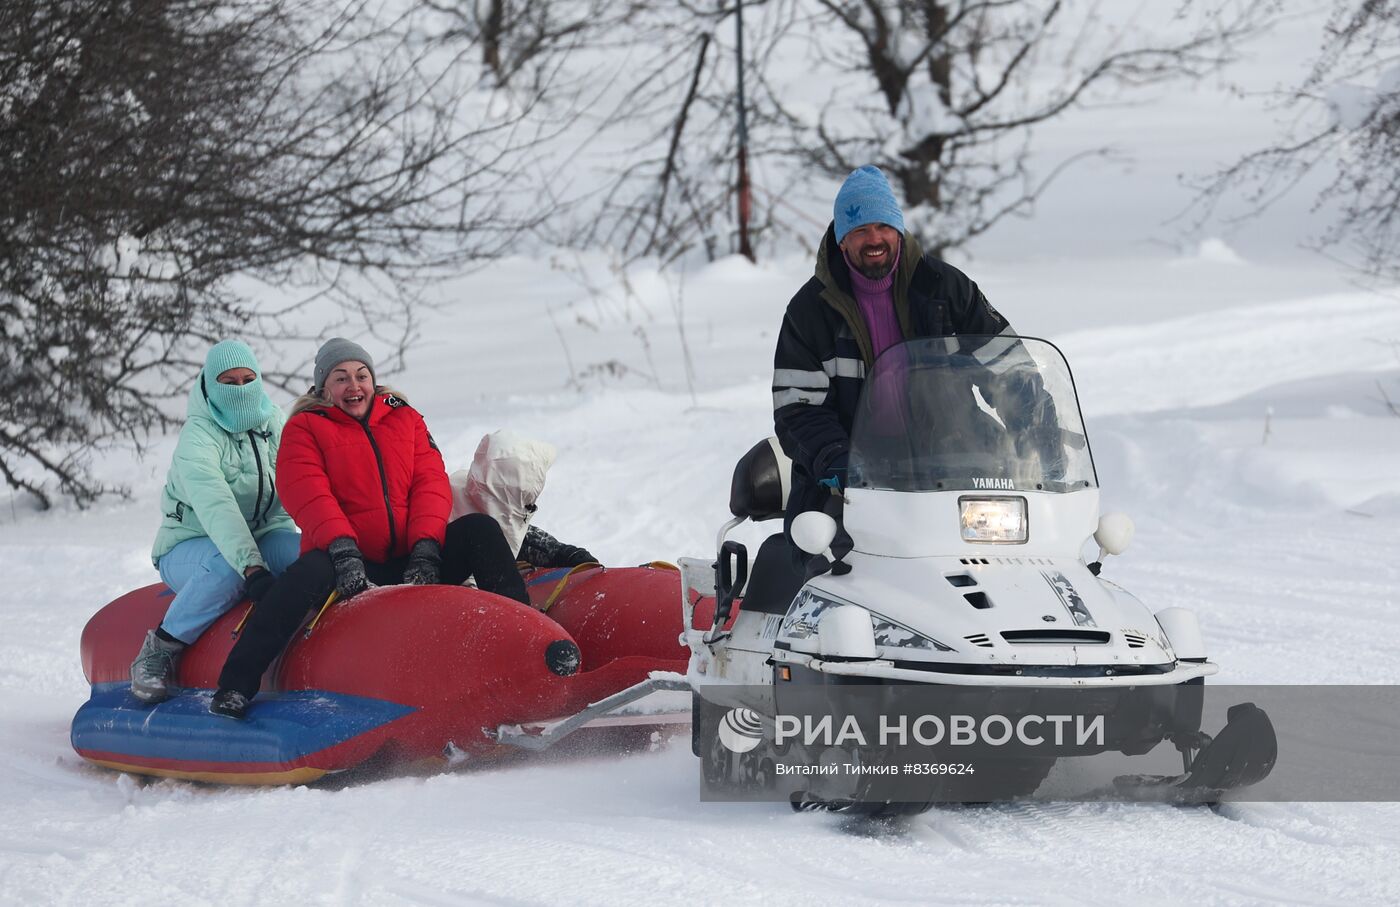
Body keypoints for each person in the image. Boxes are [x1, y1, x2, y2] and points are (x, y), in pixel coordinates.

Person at [209, 338, 531, 719]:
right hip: (345, 561)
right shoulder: (305, 428)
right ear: (324, 389)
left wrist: (427, 546)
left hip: (412, 559)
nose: (353, 386)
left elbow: (429, 483)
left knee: (480, 529)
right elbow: (308, 494)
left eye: (362, 376)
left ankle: (525, 644)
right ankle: (235, 684)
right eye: (341, 378)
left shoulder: (404, 418)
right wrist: (343, 550)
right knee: (300, 580)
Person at [771, 165, 1015, 549]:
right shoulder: (810, 311)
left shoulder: (945, 288)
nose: (875, 238)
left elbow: (1008, 366)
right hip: (852, 486)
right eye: (860, 229)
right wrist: (838, 460)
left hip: (954, 470)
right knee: (835, 579)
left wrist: (1037, 426)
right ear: (842, 239)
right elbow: (797, 408)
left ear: (898, 229)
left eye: (883, 226)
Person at [132, 340, 300, 703]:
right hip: (191, 544)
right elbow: (217, 506)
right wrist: (252, 569)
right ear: (210, 386)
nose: (239, 389)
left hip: (264, 534)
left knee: (310, 557)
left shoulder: (273, 421)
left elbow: (300, 479)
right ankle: (160, 647)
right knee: (228, 568)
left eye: (247, 379)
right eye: (228, 381)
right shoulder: (198, 436)